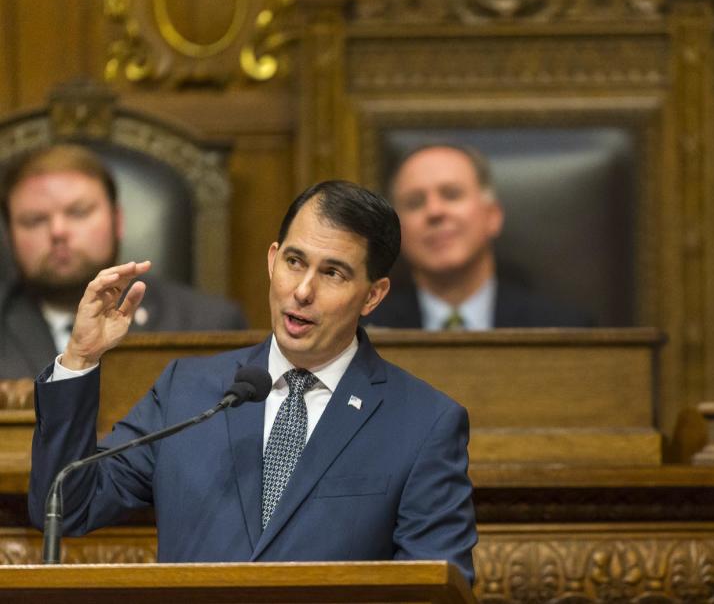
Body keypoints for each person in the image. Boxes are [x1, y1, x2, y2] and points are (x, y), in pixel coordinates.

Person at [28, 180, 477, 580]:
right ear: (272, 259)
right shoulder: (189, 390)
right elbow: (68, 506)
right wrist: (81, 357)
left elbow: (435, 583)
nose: (302, 290)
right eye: (295, 261)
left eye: (333, 273)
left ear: (373, 295)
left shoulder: (423, 424)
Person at [0, 143, 248, 379]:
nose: (58, 231)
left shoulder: (209, 324)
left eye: (78, 212)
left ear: (117, 221)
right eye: (34, 220)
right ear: (9, 235)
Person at [365, 143, 593, 329]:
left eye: (451, 195)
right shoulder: (362, 335)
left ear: (492, 215)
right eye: (415, 203)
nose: (434, 212)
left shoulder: (561, 330)